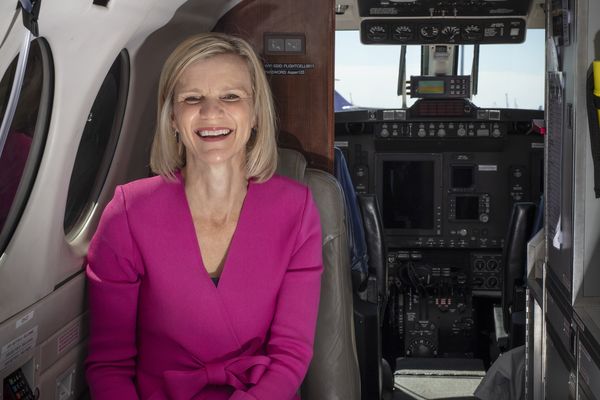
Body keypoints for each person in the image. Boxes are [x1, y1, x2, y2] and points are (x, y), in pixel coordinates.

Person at [85, 32, 323, 400]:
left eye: (231, 97)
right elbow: (109, 365)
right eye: (193, 99)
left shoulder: (297, 209)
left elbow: (290, 354)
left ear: (256, 113)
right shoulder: (127, 213)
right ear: (172, 117)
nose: (211, 113)